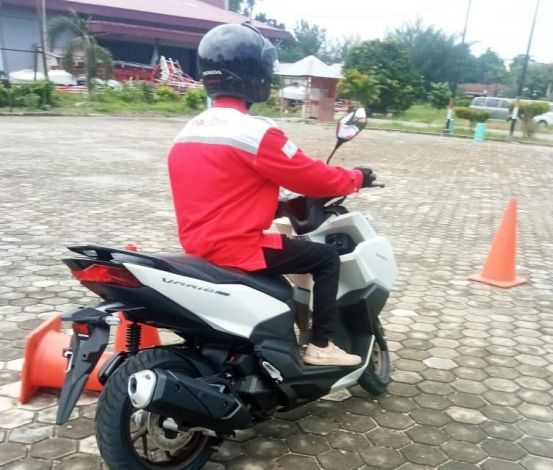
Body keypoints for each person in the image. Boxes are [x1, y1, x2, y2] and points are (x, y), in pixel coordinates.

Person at [167, 23, 376, 366]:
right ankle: (321, 345)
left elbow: (224, 189)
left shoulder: (189, 131)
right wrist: (355, 178)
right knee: (324, 259)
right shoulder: (254, 132)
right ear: (254, 73)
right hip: (238, 247)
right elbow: (314, 178)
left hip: (198, 245)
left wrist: (276, 207)